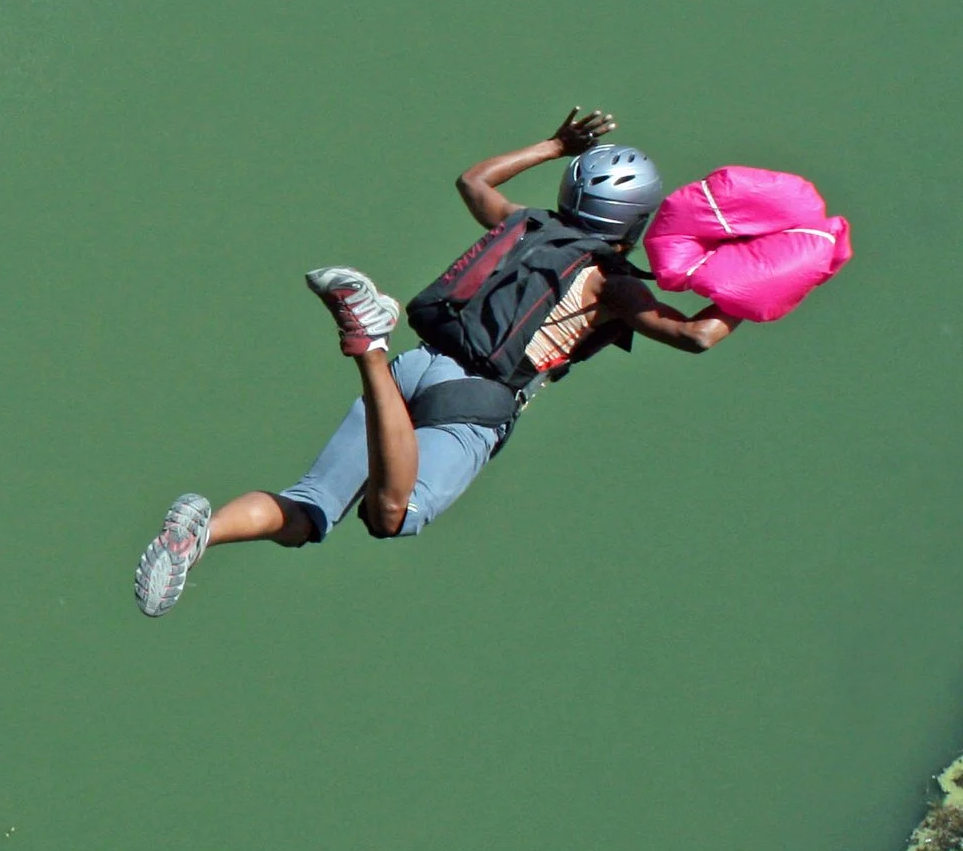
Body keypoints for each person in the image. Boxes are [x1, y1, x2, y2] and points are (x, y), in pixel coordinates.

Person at [133, 108, 739, 617]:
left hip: (415, 367)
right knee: (390, 516)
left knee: (312, 508)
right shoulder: (612, 283)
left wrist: (557, 144)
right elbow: (696, 335)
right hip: (474, 401)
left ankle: (198, 536)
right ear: (635, 220)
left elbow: (474, 182)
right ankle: (366, 345)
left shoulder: (523, 224)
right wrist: (773, 287)